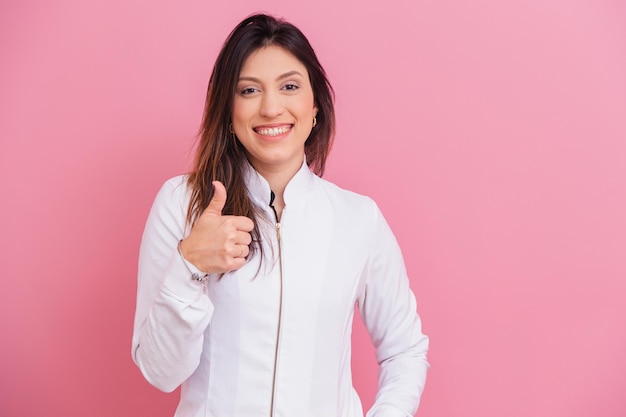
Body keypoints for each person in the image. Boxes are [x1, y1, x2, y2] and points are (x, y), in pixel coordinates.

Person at [132, 13, 429, 417]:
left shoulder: (358, 219)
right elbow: (160, 371)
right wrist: (190, 265)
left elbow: (405, 350)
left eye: (289, 86)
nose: (271, 108)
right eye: (249, 90)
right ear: (228, 109)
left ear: (315, 106)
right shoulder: (182, 203)